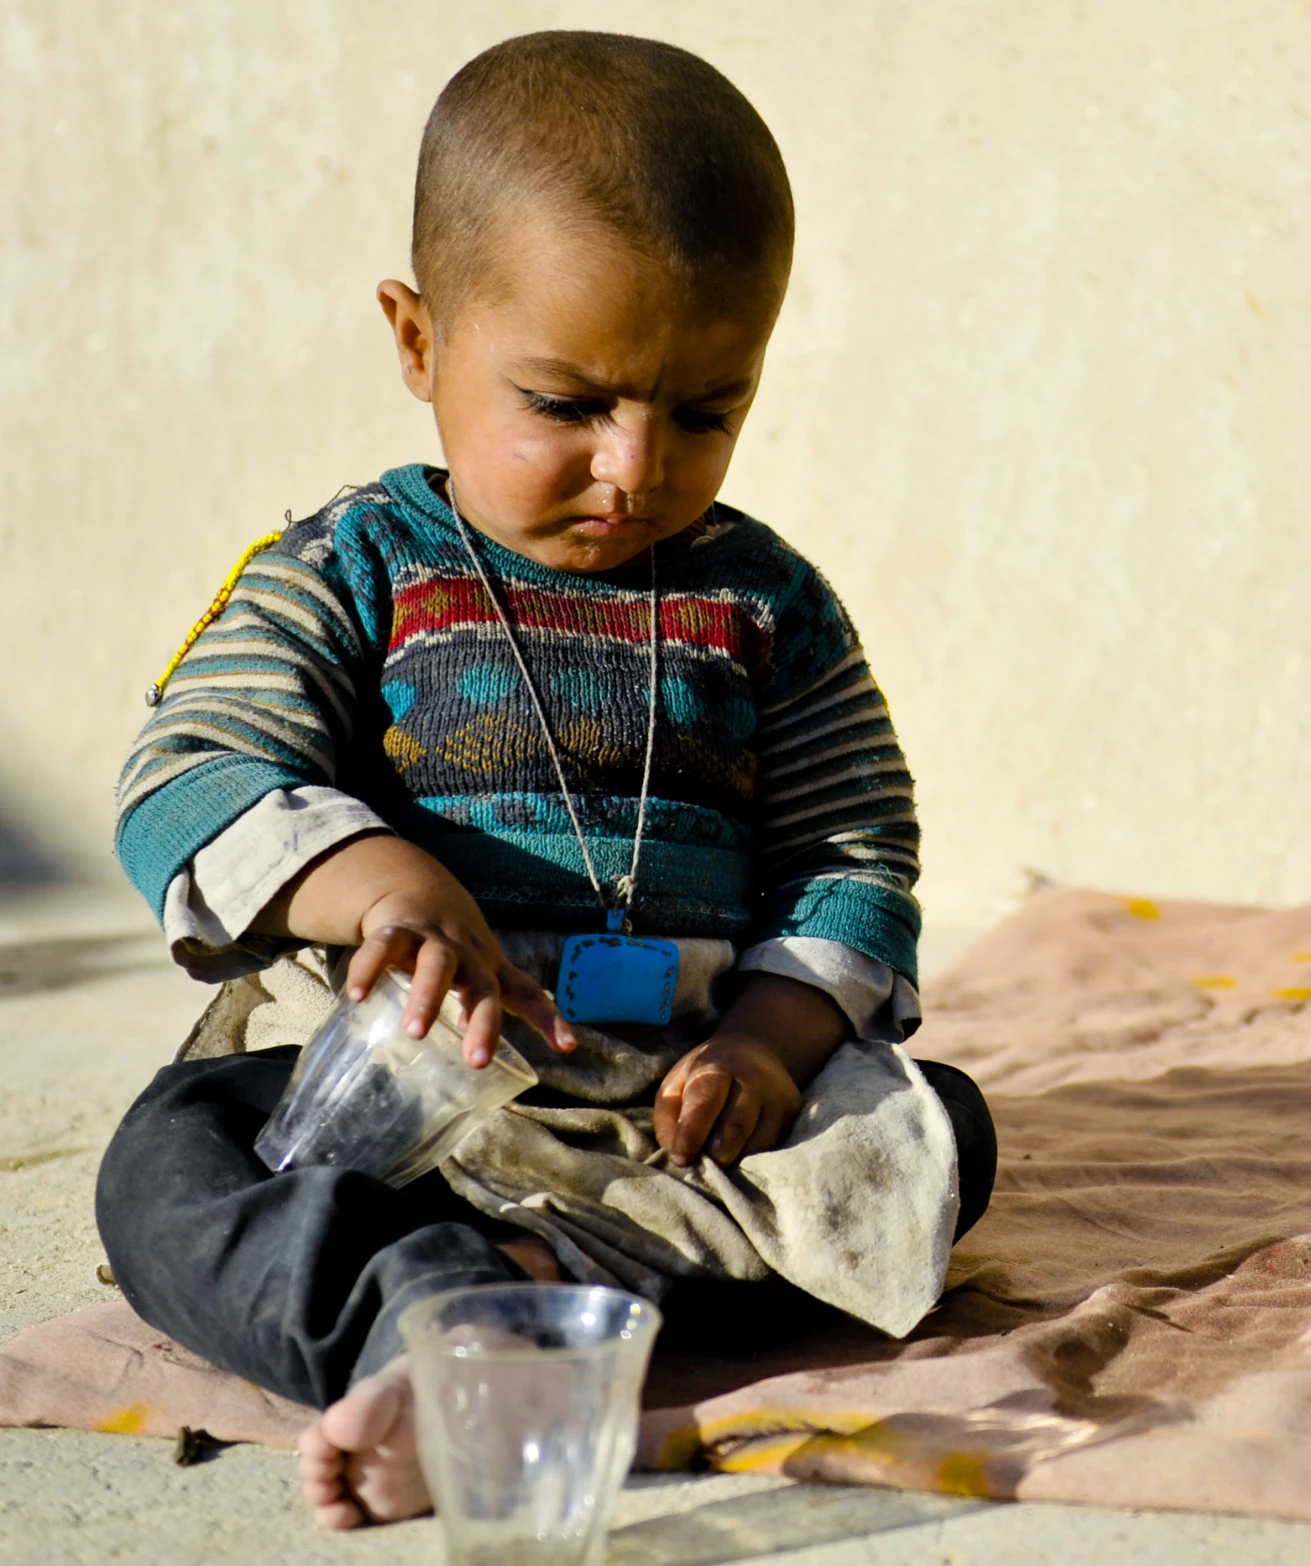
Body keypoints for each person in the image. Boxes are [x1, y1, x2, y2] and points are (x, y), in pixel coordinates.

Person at [93, 31, 994, 1530]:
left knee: (940, 1128)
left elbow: (854, 844)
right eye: (570, 405)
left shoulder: (768, 608)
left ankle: (535, 1300)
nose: (636, 467)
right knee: (167, 1160)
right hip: (388, 1094)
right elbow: (190, 769)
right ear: (417, 340)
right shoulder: (357, 568)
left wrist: (773, 1043)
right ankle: (433, 1324)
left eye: (706, 409)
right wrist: (383, 884)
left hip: (678, 1116)